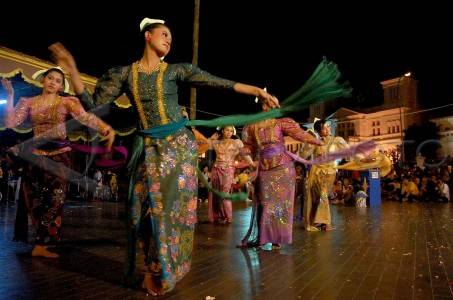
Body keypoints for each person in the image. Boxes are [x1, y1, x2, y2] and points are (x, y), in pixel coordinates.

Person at [48, 18, 278, 296]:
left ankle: (157, 270)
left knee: (168, 213)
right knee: (141, 211)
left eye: (171, 37)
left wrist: (255, 90)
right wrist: (72, 69)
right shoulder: (124, 74)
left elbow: (215, 82)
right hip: (148, 149)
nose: (169, 40)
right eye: (164, 34)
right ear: (148, 35)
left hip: (178, 150)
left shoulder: (176, 71)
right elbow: (94, 105)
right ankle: (153, 265)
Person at [1, 67, 114, 259]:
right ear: (43, 80)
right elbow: (11, 122)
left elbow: (85, 117)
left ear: (61, 85)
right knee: (34, 200)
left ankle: (43, 243)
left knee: (55, 199)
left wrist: (105, 129)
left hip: (60, 156)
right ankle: (40, 243)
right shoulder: (28, 102)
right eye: (50, 78)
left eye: (58, 80)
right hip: (35, 156)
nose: (53, 82)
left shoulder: (67, 102)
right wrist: (10, 95)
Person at [240, 98, 321, 250]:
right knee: (266, 203)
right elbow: (247, 146)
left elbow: (300, 135)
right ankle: (263, 238)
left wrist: (318, 142)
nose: (269, 107)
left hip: (283, 167)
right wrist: (248, 158)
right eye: (266, 104)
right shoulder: (251, 126)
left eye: (272, 105)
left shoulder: (281, 123)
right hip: (264, 169)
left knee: (282, 205)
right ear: (261, 106)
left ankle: (277, 239)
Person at [300, 119, 349, 231]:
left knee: (323, 194)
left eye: (328, 126)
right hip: (316, 172)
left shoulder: (337, 140)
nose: (328, 129)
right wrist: (308, 141)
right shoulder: (315, 142)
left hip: (329, 173)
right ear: (319, 131)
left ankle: (321, 221)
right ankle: (322, 222)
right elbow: (303, 155)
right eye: (324, 127)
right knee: (319, 195)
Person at [207, 126, 253, 224]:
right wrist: (212, 138)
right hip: (216, 169)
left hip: (228, 170)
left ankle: (228, 217)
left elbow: (244, 154)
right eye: (227, 130)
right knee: (216, 193)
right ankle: (218, 216)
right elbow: (206, 148)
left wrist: (251, 162)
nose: (229, 132)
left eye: (231, 131)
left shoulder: (236, 142)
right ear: (223, 131)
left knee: (225, 193)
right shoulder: (216, 142)